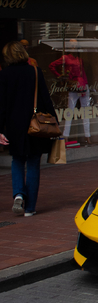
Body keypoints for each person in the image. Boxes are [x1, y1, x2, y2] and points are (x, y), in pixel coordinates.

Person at [0, 41, 56, 217]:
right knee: (33, 162)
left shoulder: (4, 75)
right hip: (35, 124)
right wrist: (54, 122)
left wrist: (0, 129)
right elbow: (46, 100)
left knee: (17, 160)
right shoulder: (35, 72)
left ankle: (18, 194)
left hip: (14, 125)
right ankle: (30, 208)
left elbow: (1, 105)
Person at [48, 39, 91, 144]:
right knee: (69, 111)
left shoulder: (80, 59)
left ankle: (87, 135)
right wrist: (61, 77)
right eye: (72, 44)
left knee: (85, 112)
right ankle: (66, 135)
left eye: (75, 44)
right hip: (73, 85)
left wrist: (86, 85)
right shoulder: (65, 58)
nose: (74, 46)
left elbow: (83, 73)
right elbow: (51, 66)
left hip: (82, 85)